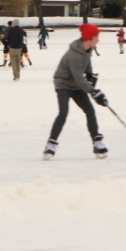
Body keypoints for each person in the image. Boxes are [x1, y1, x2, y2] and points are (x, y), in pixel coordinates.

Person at [43, 23, 109, 160]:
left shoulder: (87, 49)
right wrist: (94, 92)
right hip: (63, 84)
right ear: (89, 38)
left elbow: (87, 64)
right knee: (63, 113)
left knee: (90, 111)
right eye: (96, 37)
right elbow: (79, 79)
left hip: (76, 85)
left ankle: (97, 142)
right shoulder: (74, 55)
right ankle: (51, 144)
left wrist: (90, 75)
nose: (98, 40)